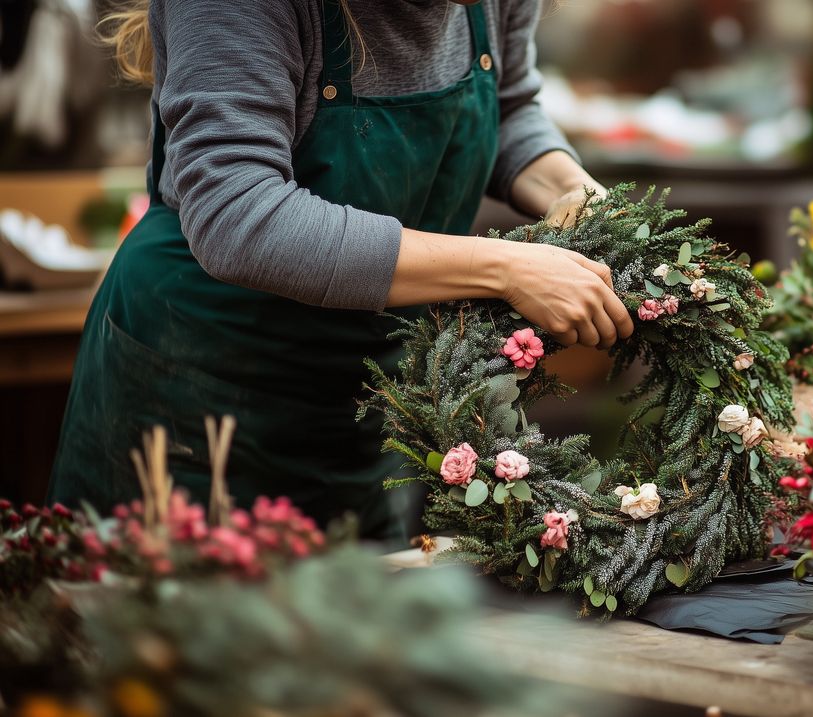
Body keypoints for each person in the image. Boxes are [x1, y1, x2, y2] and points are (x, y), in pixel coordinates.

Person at [48, 0, 634, 538]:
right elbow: (238, 212)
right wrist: (505, 267)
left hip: (367, 399)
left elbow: (508, 107)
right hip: (198, 397)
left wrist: (580, 195)